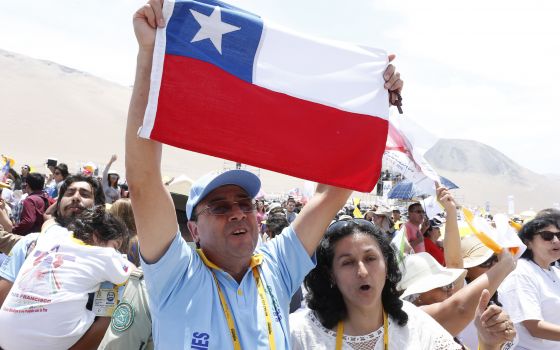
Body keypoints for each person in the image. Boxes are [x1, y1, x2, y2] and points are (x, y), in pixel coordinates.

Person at [126, 1, 403, 347]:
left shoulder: (275, 267)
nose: (238, 212)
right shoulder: (176, 275)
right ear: (193, 229)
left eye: (243, 202)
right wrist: (149, 55)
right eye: (220, 207)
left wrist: (372, 104)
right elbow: (144, 181)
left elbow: (331, 193)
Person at [290, 219, 505, 350]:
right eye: (347, 263)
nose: (362, 271)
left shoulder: (415, 323)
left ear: (387, 265)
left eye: (371, 258)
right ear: (330, 274)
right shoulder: (299, 333)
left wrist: (489, 344)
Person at [0, 174, 111, 350]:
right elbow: (2, 294)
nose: (76, 197)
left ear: (98, 207)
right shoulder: (30, 243)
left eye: (85, 194)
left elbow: (104, 320)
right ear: (58, 205)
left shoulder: (106, 258)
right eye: (69, 193)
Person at [498, 215, 560, 349]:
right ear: (528, 242)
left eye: (559, 235)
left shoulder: (555, 272)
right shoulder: (521, 273)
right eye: (547, 236)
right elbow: (535, 327)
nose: (556, 240)